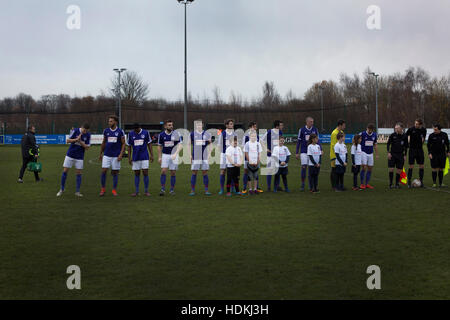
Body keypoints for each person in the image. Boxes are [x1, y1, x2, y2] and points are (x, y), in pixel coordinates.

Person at [56, 123, 91, 197]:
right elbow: (67, 140)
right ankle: (62, 189)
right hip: (70, 155)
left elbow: (87, 147)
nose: (85, 132)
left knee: (79, 173)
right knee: (65, 171)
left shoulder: (88, 135)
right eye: (84, 130)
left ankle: (77, 191)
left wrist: (80, 141)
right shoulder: (75, 131)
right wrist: (75, 139)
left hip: (80, 157)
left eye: (86, 131)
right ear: (81, 127)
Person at [99, 115, 125, 197]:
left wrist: (121, 154)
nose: (109, 122)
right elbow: (103, 142)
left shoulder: (120, 131)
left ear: (115, 122)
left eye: (111, 121)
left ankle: (114, 190)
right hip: (107, 154)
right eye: (109, 121)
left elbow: (124, 143)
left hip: (116, 156)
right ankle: (103, 189)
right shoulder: (106, 131)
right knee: (103, 171)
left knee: (115, 172)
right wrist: (100, 153)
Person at [127, 123, 154, 197]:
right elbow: (129, 146)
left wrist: (152, 155)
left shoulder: (146, 132)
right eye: (135, 130)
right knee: (136, 174)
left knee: (145, 173)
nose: (136, 131)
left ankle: (146, 191)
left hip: (145, 156)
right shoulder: (131, 134)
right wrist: (129, 158)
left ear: (140, 128)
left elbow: (149, 144)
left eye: (137, 130)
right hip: (135, 157)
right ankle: (136, 191)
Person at [158, 119, 183, 195]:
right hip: (165, 155)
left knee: (173, 173)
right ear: (165, 126)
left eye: (172, 125)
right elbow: (159, 146)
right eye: (169, 125)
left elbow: (180, 145)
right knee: (163, 171)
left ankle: (172, 190)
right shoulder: (161, 135)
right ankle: (162, 189)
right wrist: (159, 157)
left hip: (174, 155)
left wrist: (176, 153)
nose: (171, 126)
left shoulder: (176, 134)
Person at [296, 117, 320, 191]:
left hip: (313, 152)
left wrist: (321, 149)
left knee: (311, 168)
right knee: (304, 167)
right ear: (307, 122)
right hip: (304, 151)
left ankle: (311, 185)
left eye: (313, 122)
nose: (312, 123)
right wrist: (297, 152)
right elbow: (299, 141)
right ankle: (302, 184)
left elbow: (318, 140)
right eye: (311, 122)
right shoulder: (302, 130)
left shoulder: (315, 129)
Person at [190, 119, 212, 196]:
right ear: (196, 126)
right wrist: (190, 155)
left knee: (205, 172)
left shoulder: (207, 134)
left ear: (202, 125)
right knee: (194, 172)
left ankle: (206, 190)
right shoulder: (192, 134)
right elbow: (189, 144)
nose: (199, 126)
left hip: (205, 156)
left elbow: (210, 145)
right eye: (197, 125)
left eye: (200, 124)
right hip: (195, 156)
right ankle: (192, 190)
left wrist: (209, 154)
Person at [261, 120, 284, 192]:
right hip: (270, 155)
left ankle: (276, 186)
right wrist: (266, 149)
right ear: (277, 126)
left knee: (278, 172)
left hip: (278, 155)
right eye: (281, 125)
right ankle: (268, 187)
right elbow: (261, 140)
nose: (282, 126)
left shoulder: (280, 132)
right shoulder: (269, 132)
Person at [242, 121, 263, 194]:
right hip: (247, 158)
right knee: (246, 172)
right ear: (250, 127)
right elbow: (243, 146)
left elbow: (259, 146)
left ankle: (256, 188)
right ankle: (245, 188)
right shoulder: (246, 136)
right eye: (254, 126)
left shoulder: (257, 135)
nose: (256, 128)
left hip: (256, 158)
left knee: (256, 172)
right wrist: (247, 158)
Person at [427, 123, 450, 188]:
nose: (434, 131)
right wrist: (429, 153)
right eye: (434, 129)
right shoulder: (431, 136)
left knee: (441, 169)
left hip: (442, 154)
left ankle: (441, 183)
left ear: (439, 129)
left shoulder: (444, 135)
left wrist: (448, 151)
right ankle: (434, 183)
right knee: (434, 168)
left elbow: (447, 144)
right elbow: (428, 145)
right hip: (433, 154)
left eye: (436, 130)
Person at [406, 118, 427, 187]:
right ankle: (409, 182)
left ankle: (421, 182)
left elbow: (423, 139)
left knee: (421, 166)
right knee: (411, 166)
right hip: (412, 150)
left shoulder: (424, 130)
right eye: (415, 123)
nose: (415, 125)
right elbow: (406, 136)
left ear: (420, 125)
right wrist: (408, 142)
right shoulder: (411, 129)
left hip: (420, 150)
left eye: (417, 124)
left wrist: (421, 142)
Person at [387, 123, 409, 189]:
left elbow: (406, 147)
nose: (396, 129)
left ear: (401, 128)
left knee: (399, 170)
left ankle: (397, 184)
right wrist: (388, 152)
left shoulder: (405, 136)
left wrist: (405, 155)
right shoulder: (392, 135)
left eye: (397, 128)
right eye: (395, 128)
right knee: (391, 169)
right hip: (392, 154)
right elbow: (388, 144)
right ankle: (390, 184)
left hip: (400, 155)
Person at [219, 119, 237, 195]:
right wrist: (223, 154)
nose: (232, 125)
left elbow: (236, 144)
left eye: (232, 124)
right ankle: (222, 189)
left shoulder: (234, 133)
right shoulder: (222, 133)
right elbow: (219, 145)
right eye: (230, 124)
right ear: (226, 125)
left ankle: (232, 188)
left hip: (233, 155)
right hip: (224, 155)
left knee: (232, 172)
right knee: (223, 171)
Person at [359, 123, 378, 189]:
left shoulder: (374, 135)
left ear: (372, 130)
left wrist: (377, 154)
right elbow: (356, 140)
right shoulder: (362, 134)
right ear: (367, 128)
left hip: (371, 153)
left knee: (370, 169)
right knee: (364, 168)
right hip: (363, 152)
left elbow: (375, 145)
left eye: (371, 130)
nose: (369, 131)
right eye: (368, 129)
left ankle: (367, 184)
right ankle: (362, 184)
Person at [330, 120, 346, 190]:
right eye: (343, 125)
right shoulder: (334, 133)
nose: (344, 126)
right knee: (334, 170)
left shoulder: (342, 132)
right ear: (340, 125)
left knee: (340, 171)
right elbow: (333, 145)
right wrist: (334, 156)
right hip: (335, 155)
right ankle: (334, 185)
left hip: (341, 155)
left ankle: (340, 185)